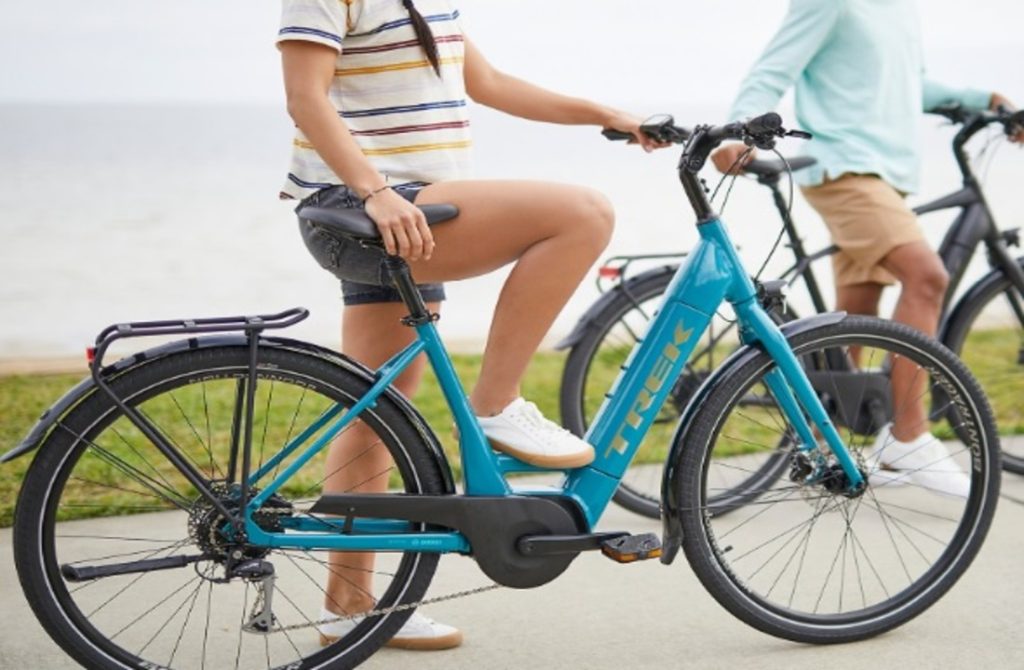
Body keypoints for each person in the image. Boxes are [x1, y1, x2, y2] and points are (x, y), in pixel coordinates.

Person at [277, 0, 658, 650]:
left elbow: (489, 84)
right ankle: (495, 405)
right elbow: (304, 98)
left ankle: (349, 606)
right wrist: (376, 191)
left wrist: (607, 115)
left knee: (379, 405)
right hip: (374, 203)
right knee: (583, 213)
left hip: (406, 209)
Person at [711, 0, 1022, 497]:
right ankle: (907, 435)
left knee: (853, 317)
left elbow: (909, 86)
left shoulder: (899, 10)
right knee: (926, 277)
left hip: (886, 174)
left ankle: (820, 445)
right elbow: (774, 68)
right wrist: (740, 131)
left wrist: (983, 98)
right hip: (844, 168)